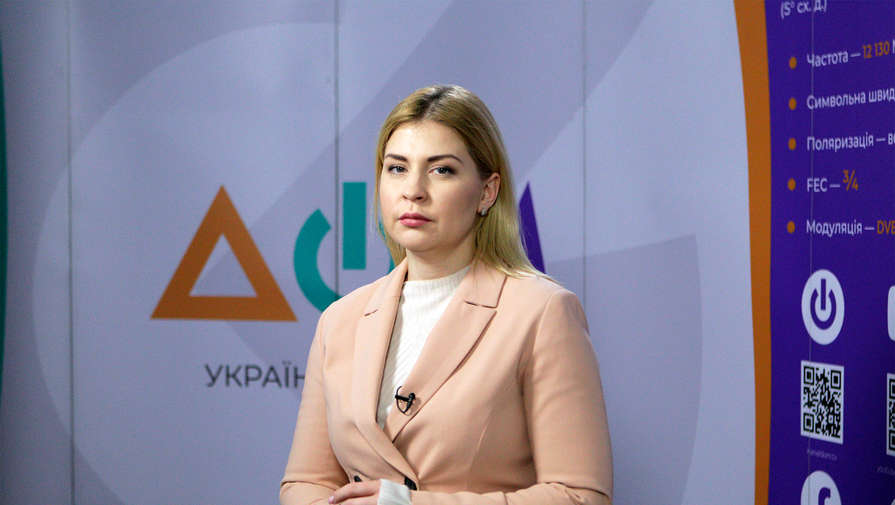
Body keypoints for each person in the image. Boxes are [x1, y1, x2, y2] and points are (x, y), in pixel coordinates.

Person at [280, 84, 612, 505]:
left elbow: (580, 496)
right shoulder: (339, 320)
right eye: (397, 168)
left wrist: (408, 504)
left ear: (487, 192)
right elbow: (305, 482)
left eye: (441, 170)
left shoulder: (542, 312)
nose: (413, 190)